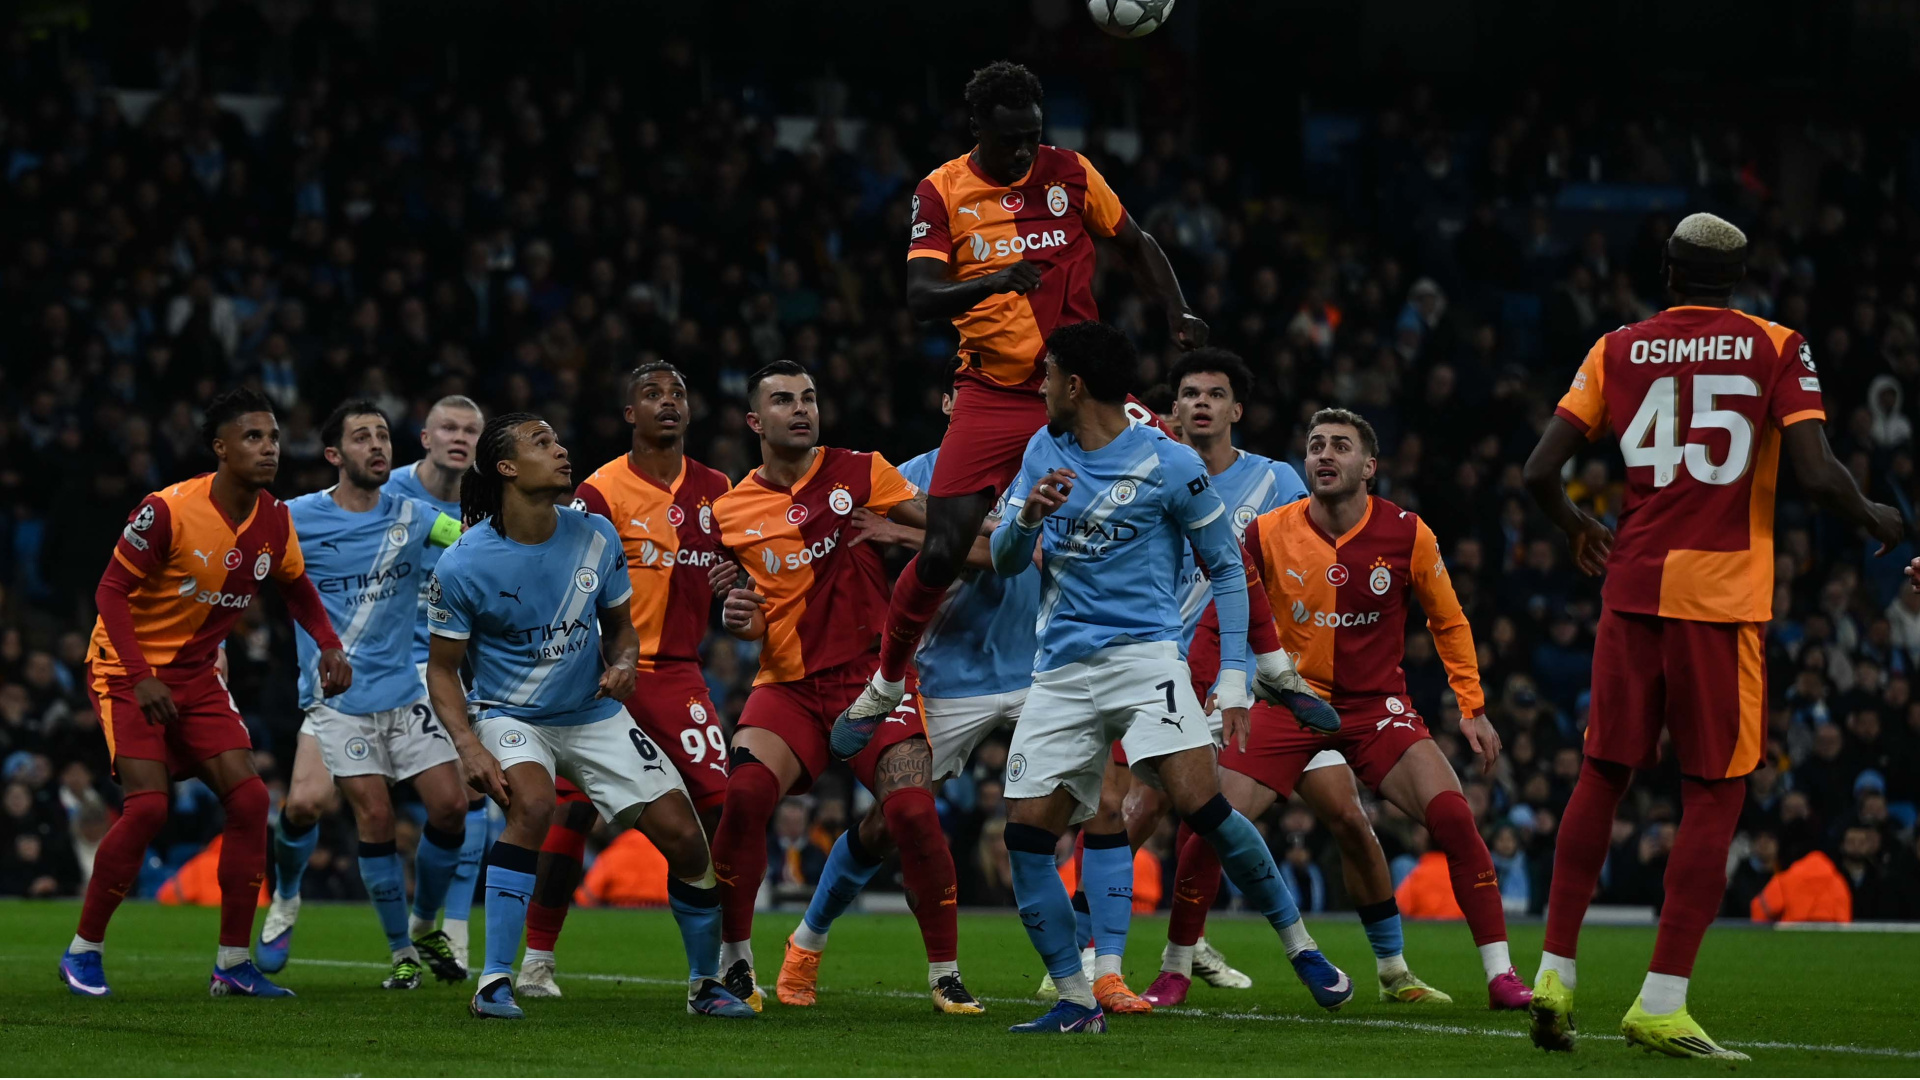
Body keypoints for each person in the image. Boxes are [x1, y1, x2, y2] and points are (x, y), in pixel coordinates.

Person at [1522, 212, 1908, 1059]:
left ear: (1669, 272)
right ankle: (1661, 1000)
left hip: (1631, 591)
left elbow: (1538, 471)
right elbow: (1812, 471)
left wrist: (1577, 526)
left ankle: (1554, 972)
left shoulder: (1615, 347)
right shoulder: (1776, 344)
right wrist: (1873, 512)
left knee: (1602, 774)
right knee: (1716, 792)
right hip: (1721, 597)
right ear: (1739, 277)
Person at [986, 321, 1350, 1035]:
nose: (1043, 387)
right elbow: (1002, 562)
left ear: (1076, 384)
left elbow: (1228, 568)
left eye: (1050, 374)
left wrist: (1240, 674)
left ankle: (1300, 946)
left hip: (1145, 660)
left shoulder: (1168, 462)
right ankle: (1075, 997)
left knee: (1201, 807)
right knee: (1026, 840)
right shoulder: (1040, 451)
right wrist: (1027, 519)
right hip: (1059, 669)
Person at [834, 59, 1207, 753]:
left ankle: (1195, 661)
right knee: (944, 549)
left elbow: (1135, 242)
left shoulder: (1070, 171)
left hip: (1081, 388)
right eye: (1010, 140)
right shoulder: (941, 190)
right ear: (978, 128)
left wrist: (1177, 309)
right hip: (993, 393)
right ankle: (887, 683)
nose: (1023, 152)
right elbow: (919, 299)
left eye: (1033, 136)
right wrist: (994, 281)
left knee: (1181, 488)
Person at [1173, 408, 1531, 1011]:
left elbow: (1448, 619)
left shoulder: (1408, 533)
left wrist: (1471, 704)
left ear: (1370, 466)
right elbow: (1217, 619)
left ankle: (1499, 975)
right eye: (1315, 445)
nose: (1324, 455)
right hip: (1290, 703)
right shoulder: (1265, 531)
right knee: (1212, 824)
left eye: (1340, 446)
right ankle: (1176, 968)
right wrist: (1208, 690)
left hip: (1376, 709)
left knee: (1453, 816)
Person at [1132, 362, 1454, 1009]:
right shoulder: (1149, 473)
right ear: (1171, 410)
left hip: (1277, 685)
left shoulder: (1276, 481)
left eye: (1215, 394)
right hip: (1171, 668)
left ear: (1235, 411)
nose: (1201, 405)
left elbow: (1315, 548)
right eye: (1189, 395)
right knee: (1152, 813)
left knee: (1343, 815)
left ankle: (1391, 967)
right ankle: (1126, 950)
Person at [425, 412, 752, 1022]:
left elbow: (622, 630)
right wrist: (469, 748)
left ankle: (705, 984)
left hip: (593, 712)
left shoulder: (596, 536)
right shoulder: (464, 564)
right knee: (535, 805)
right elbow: (442, 670)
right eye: (541, 443)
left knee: (686, 839)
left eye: (557, 438)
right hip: (509, 712)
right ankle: (495, 979)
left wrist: (624, 663)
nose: (561, 449)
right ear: (506, 468)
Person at [709, 361, 984, 1015]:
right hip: (789, 684)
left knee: (913, 813)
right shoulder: (728, 511)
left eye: (809, 396)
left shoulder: (863, 471)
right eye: (782, 400)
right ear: (755, 421)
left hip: (873, 677)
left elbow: (955, 542)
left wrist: (904, 532)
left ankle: (945, 974)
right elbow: (738, 613)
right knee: (744, 795)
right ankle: (735, 963)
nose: (801, 408)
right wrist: (739, 622)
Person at [61, 388, 352, 999]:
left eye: (273, 437)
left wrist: (328, 643)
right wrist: (140, 677)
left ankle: (232, 964)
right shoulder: (167, 510)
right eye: (252, 437)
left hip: (197, 675)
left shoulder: (274, 517)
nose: (269, 448)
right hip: (124, 669)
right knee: (149, 807)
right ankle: (83, 951)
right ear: (220, 448)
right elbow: (110, 592)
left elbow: (296, 587)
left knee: (249, 802)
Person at [773, 381, 1040, 1008]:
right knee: (894, 820)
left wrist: (907, 537)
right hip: (946, 674)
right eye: (966, 395)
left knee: (1091, 807)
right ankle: (807, 940)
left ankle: (1087, 965)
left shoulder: (1040, 469)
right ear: (949, 405)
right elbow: (982, 557)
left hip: (1035, 669)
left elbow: (1010, 560)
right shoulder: (908, 477)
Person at [514, 363, 735, 998]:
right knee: (570, 813)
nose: (668, 403)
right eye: (652, 394)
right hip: (602, 673)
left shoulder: (720, 490)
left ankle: (727, 958)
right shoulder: (599, 491)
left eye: (678, 393)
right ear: (629, 415)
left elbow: (746, 580)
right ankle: (537, 961)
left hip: (679, 674)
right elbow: (563, 582)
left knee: (722, 809)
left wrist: (736, 588)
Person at [260, 400, 469, 990]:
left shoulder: (416, 515)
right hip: (337, 700)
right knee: (358, 813)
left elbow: (473, 543)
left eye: (382, 436)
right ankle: (379, 939)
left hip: (405, 692)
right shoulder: (295, 517)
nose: (377, 445)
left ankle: (425, 922)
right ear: (334, 455)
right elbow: (242, 559)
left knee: (452, 807)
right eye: (361, 438)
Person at [385, 394, 490, 972]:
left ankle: (449, 927)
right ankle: (288, 895)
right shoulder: (392, 492)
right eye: (448, 427)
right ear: (425, 436)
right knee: (317, 801)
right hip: (382, 664)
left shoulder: (488, 502)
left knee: (473, 793)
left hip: (447, 667)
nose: (459, 437)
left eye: (471, 430)